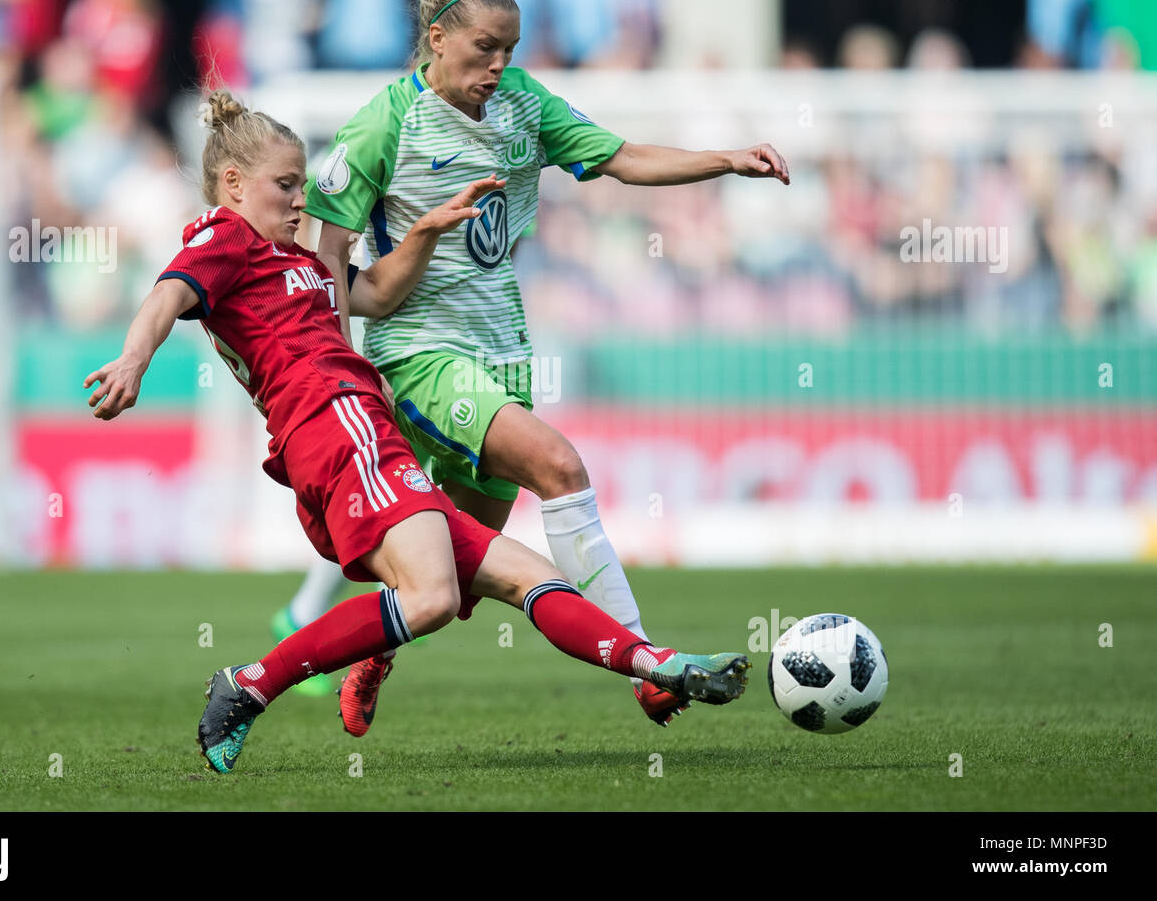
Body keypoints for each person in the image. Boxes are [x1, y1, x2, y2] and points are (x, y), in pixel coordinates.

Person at [83, 91, 751, 773]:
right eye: (284, 186)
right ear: (232, 184)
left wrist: (425, 232)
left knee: (526, 575)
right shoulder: (225, 239)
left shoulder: (302, 264)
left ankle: (658, 663)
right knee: (431, 597)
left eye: (302, 186)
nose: (297, 202)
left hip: (364, 430)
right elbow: (169, 292)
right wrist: (135, 360)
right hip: (334, 425)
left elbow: (372, 294)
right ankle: (252, 684)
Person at [282, 0, 789, 732]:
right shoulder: (382, 125)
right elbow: (330, 258)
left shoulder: (525, 106)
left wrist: (725, 160)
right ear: (437, 36)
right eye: (485, 49)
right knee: (560, 467)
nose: (498, 67)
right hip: (418, 354)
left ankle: (375, 648)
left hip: (502, 354)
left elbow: (620, 157)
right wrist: (338, 371)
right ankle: (649, 666)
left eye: (510, 51)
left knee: (460, 568)